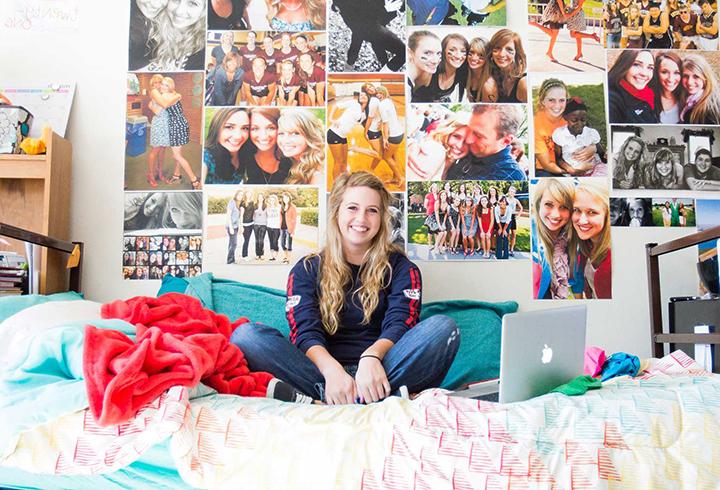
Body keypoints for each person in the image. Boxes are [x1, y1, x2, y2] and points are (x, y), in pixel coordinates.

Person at [230, 171, 460, 404]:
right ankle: (371, 398)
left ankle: (330, 400)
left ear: (381, 218)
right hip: (320, 374)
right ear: (337, 212)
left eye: (372, 210)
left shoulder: (402, 268)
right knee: (246, 336)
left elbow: (401, 324)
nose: (361, 218)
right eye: (352, 208)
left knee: (443, 328)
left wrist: (371, 357)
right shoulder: (307, 268)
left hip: (382, 369)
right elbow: (304, 330)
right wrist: (332, 372)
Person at [531, 178, 582, 300]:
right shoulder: (532, 236)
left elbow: (577, 277)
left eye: (564, 207)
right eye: (549, 204)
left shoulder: (573, 235)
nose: (556, 215)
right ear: (538, 204)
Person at [446, 105, 526, 180]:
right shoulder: (466, 149)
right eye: (470, 130)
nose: (468, 140)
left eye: (478, 135)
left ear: (506, 141)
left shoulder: (511, 176)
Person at [140, 0, 206, 71]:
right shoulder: (147, 29)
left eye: (192, 3)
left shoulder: (203, 48)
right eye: (175, 0)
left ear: (204, 11)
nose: (179, 11)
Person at [573, 180, 611, 299]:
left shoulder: (611, 261)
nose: (582, 220)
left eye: (592, 212)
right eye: (577, 210)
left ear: (607, 215)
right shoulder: (587, 245)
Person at [160, 77, 201, 189]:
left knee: (176, 155)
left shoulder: (164, 96)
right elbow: (176, 98)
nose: (162, 87)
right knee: (178, 154)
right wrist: (177, 96)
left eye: (166, 85)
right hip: (182, 123)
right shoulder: (174, 94)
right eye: (162, 84)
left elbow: (164, 105)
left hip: (176, 126)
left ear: (170, 87)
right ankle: (177, 174)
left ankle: (194, 181)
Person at [530, 0, 601, 62]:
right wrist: (565, 12)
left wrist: (567, 13)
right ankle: (579, 51)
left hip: (572, 15)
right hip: (558, 13)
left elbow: (578, 7)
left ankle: (580, 50)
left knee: (573, 34)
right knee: (571, 34)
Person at [552, 97, 606, 177]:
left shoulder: (591, 133)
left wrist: (605, 156)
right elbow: (558, 159)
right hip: (573, 172)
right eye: (574, 120)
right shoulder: (559, 134)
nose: (580, 123)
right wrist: (571, 170)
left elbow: (601, 154)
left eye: (583, 120)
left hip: (594, 170)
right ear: (565, 117)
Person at [412, 34, 469, 103]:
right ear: (443, 51)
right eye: (452, 50)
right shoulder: (430, 71)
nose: (458, 56)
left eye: (463, 51)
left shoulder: (461, 74)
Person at [608, 50, 659, 124]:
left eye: (650, 68)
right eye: (636, 64)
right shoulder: (612, 100)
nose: (644, 73)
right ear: (624, 65)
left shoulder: (649, 92)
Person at [327, 91, 369, 180]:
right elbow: (336, 106)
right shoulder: (354, 103)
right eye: (361, 95)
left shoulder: (365, 113)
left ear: (368, 98)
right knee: (338, 162)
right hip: (334, 133)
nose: (362, 96)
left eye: (365, 95)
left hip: (343, 136)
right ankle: (336, 184)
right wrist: (331, 118)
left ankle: (346, 180)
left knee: (344, 162)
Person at [244, 108, 293, 184]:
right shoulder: (242, 159)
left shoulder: (293, 158)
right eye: (255, 129)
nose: (263, 136)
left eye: (271, 128)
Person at [203, 108, 251, 184]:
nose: (238, 136)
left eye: (245, 128)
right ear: (216, 128)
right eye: (229, 127)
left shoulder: (246, 152)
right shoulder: (207, 157)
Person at [478, 29, 527, 103]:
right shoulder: (490, 82)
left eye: (509, 49)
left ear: (517, 53)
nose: (501, 54)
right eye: (497, 48)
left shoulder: (524, 83)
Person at [277, 109, 323, 185]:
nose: (285, 140)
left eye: (295, 133)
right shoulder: (292, 162)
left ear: (310, 135)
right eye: (281, 133)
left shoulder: (317, 176)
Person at [146, 74, 174, 188]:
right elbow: (164, 104)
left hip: (165, 122)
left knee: (163, 149)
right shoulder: (154, 92)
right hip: (158, 123)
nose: (157, 85)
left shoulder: (163, 92)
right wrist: (175, 96)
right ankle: (151, 175)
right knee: (156, 149)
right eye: (155, 83)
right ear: (152, 85)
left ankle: (160, 172)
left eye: (159, 82)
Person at [374, 86, 404, 186]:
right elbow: (388, 118)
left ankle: (400, 178)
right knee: (393, 157)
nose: (378, 95)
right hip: (399, 132)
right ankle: (395, 178)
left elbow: (386, 124)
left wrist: (385, 139)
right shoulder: (389, 101)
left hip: (394, 135)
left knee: (386, 157)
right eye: (376, 93)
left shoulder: (382, 104)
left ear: (384, 92)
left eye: (380, 93)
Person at [680, 54, 720, 125]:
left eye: (696, 76)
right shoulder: (687, 100)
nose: (690, 82)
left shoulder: (710, 108)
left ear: (705, 77)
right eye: (685, 76)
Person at [650, 51, 683, 124]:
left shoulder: (686, 99)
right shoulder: (648, 98)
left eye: (676, 73)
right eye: (664, 72)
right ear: (656, 73)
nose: (671, 79)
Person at [407, 31, 442, 100]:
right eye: (427, 53)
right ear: (410, 53)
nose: (435, 61)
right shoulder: (406, 87)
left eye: (438, 53)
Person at [465, 37, 487, 102]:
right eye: (471, 52)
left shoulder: (488, 85)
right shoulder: (465, 73)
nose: (474, 58)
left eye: (481, 55)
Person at [226, 190, 243, 264]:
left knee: (231, 243)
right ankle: (230, 260)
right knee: (234, 243)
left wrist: (240, 226)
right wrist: (231, 227)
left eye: (242, 195)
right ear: (236, 195)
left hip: (235, 226)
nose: (240, 196)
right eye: (239, 195)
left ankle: (231, 259)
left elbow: (239, 217)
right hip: (231, 226)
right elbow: (228, 215)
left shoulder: (239, 204)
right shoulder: (232, 202)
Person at [506, 185, 523, 257]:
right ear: (508, 192)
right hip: (506, 217)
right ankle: (507, 248)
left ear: (515, 193)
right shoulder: (505, 199)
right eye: (510, 191)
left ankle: (511, 249)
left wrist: (518, 215)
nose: (511, 193)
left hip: (513, 217)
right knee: (507, 234)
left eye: (513, 192)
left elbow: (521, 208)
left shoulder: (516, 200)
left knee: (514, 234)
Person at [280, 193, 297, 264]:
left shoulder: (293, 207)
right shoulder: (282, 207)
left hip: (289, 228)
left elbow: (294, 220)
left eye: (286, 198)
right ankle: (286, 256)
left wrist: (292, 232)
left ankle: (288, 259)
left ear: (289, 198)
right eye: (284, 198)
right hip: (282, 228)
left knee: (289, 244)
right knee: (282, 243)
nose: (285, 199)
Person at [423, 183, 440, 252]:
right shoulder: (428, 195)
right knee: (430, 230)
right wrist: (429, 211)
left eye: (436, 187)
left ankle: (436, 245)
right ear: (431, 188)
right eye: (433, 187)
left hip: (437, 214)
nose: (435, 189)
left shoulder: (438, 195)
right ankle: (429, 245)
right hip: (430, 214)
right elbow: (425, 205)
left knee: (436, 230)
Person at [240, 189, 256, 261]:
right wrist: (241, 226)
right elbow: (241, 216)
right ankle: (244, 255)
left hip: (252, 224)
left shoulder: (252, 203)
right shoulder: (243, 203)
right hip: (245, 224)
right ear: (245, 195)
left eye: (250, 193)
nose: (248, 195)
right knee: (246, 240)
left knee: (249, 240)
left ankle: (249, 254)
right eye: (247, 193)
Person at [266, 194, 282, 261]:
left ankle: (276, 252)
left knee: (275, 241)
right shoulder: (268, 207)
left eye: (273, 200)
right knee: (271, 241)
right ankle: (273, 256)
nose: (272, 201)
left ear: (276, 200)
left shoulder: (279, 207)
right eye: (271, 200)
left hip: (277, 227)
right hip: (269, 226)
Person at [253, 192, 268, 261]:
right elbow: (252, 214)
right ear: (257, 198)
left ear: (263, 198)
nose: (260, 198)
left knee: (261, 240)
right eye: (259, 197)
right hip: (256, 224)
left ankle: (261, 254)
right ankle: (257, 254)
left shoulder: (266, 205)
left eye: (261, 197)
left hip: (263, 224)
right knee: (257, 240)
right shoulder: (255, 205)